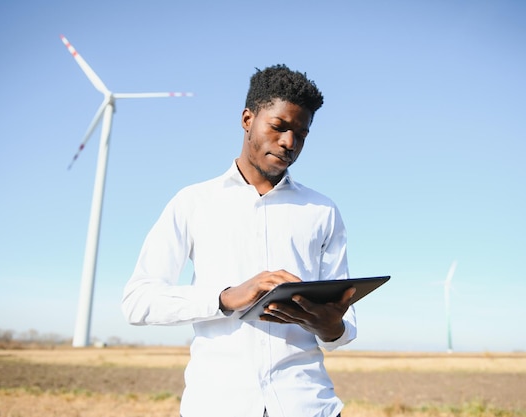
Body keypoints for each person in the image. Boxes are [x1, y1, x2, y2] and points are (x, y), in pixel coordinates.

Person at [122, 64, 357, 417]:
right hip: (217, 405)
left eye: (301, 134)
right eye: (279, 127)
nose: (289, 143)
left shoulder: (322, 210)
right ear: (248, 119)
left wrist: (332, 326)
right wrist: (224, 298)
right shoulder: (192, 202)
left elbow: (343, 325)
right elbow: (138, 301)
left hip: (309, 405)